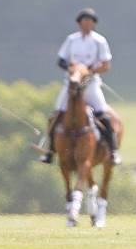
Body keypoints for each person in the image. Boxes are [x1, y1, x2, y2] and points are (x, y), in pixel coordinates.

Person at [39, 8, 121, 165]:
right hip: (71, 85)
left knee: (103, 114)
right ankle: (50, 151)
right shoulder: (71, 40)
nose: (87, 24)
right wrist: (72, 69)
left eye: (90, 21)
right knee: (56, 115)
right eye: (84, 21)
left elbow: (106, 65)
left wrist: (89, 71)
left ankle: (113, 150)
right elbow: (61, 60)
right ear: (79, 23)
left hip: (90, 84)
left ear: (94, 24)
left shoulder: (99, 41)